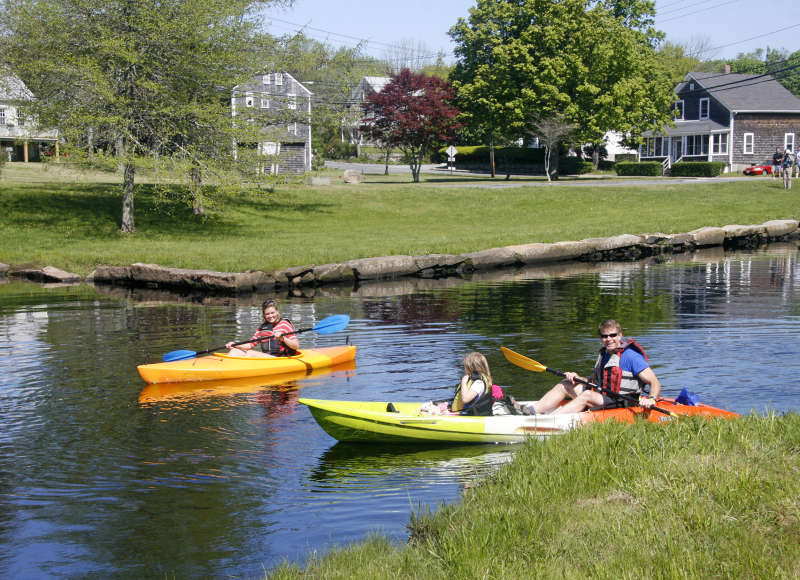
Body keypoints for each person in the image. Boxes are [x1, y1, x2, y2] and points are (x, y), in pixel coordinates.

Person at [525, 319, 661, 415]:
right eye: (604, 336)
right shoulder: (604, 354)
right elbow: (597, 382)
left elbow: (654, 383)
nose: (609, 339)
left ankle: (551, 421)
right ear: (601, 338)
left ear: (620, 335)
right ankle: (532, 411)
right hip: (604, 396)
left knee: (587, 395)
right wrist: (577, 378)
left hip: (622, 401)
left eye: (613, 335)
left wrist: (651, 399)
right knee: (565, 384)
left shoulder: (630, 356)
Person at [418, 351, 496, 415]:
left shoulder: (478, 383)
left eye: (465, 367)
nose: (464, 370)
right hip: (465, 410)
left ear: (472, 368)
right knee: (436, 406)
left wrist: (464, 382)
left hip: (468, 413)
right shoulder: (478, 380)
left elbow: (465, 399)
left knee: (433, 411)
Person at [225, 299, 299, 358]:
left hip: (282, 359)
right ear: (264, 315)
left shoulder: (285, 324)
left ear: (277, 312)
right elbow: (250, 345)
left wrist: (283, 338)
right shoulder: (263, 328)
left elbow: (296, 346)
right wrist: (235, 345)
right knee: (235, 351)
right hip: (267, 358)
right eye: (267, 314)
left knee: (251, 353)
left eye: (272, 313)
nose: (270, 316)